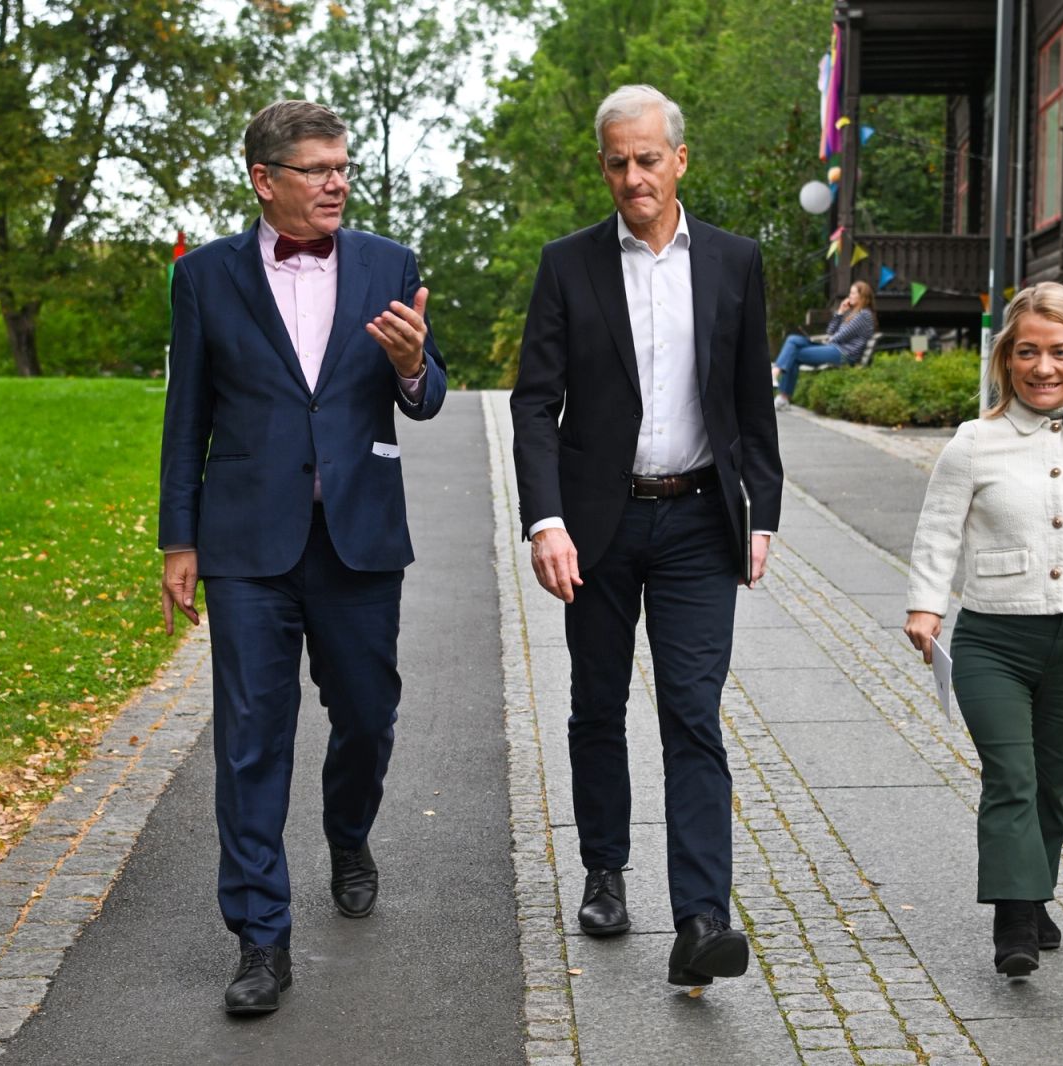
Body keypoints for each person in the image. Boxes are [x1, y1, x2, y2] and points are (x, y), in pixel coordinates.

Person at [158, 100, 447, 1014]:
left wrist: (413, 366)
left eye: (342, 167)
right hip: (248, 544)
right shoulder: (204, 277)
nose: (336, 183)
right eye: (317, 169)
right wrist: (178, 538)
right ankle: (260, 939)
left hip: (359, 540)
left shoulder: (390, 264)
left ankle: (348, 833)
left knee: (367, 716)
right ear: (263, 179)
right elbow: (186, 415)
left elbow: (428, 394)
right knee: (250, 738)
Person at [508, 85, 783, 988]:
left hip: (700, 520)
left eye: (649, 159)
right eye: (619, 162)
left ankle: (702, 917)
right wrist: (546, 520)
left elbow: (750, 400)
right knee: (597, 703)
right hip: (598, 524)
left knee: (692, 712)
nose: (635, 177)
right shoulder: (568, 264)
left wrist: (763, 511)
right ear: (604, 167)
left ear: (680, 160)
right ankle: (604, 870)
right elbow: (534, 405)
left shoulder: (735, 261)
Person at [902, 282, 1063, 978]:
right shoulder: (975, 442)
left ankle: (1033, 887)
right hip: (993, 639)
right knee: (1012, 775)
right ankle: (1014, 919)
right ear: (1006, 359)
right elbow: (938, 529)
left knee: (1053, 781)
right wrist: (926, 606)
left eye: (1059, 352)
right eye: (1027, 352)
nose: (1043, 368)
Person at [771, 279, 877, 409]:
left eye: (853, 293)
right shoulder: (852, 313)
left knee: (794, 353)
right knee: (793, 339)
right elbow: (830, 332)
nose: (849, 296)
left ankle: (782, 393)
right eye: (850, 293)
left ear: (862, 296)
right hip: (835, 348)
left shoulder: (864, 315)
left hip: (844, 354)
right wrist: (840, 312)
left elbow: (840, 336)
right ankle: (776, 375)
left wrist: (827, 340)